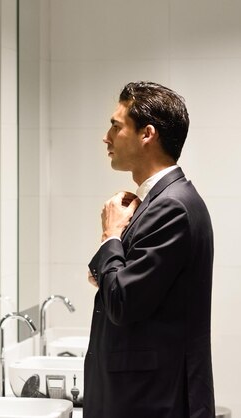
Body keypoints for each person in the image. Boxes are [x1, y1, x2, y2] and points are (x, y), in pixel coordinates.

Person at [85, 81, 215, 417]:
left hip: (151, 401)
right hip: (146, 397)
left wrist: (111, 235)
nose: (106, 137)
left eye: (116, 126)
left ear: (147, 134)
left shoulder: (171, 207)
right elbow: (112, 280)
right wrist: (108, 257)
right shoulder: (161, 202)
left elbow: (123, 302)